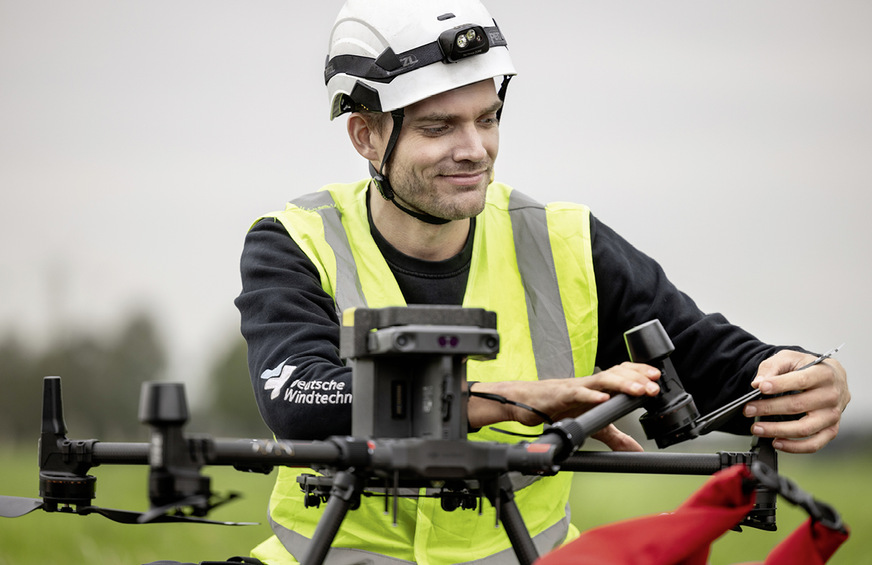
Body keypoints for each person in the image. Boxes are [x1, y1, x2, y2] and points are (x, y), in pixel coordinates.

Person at [234, 1, 850, 563]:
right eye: (438, 126)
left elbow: (706, 359)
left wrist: (798, 376)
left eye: (488, 118)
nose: (475, 149)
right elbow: (301, 399)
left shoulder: (567, 240)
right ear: (366, 135)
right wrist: (518, 398)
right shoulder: (295, 238)